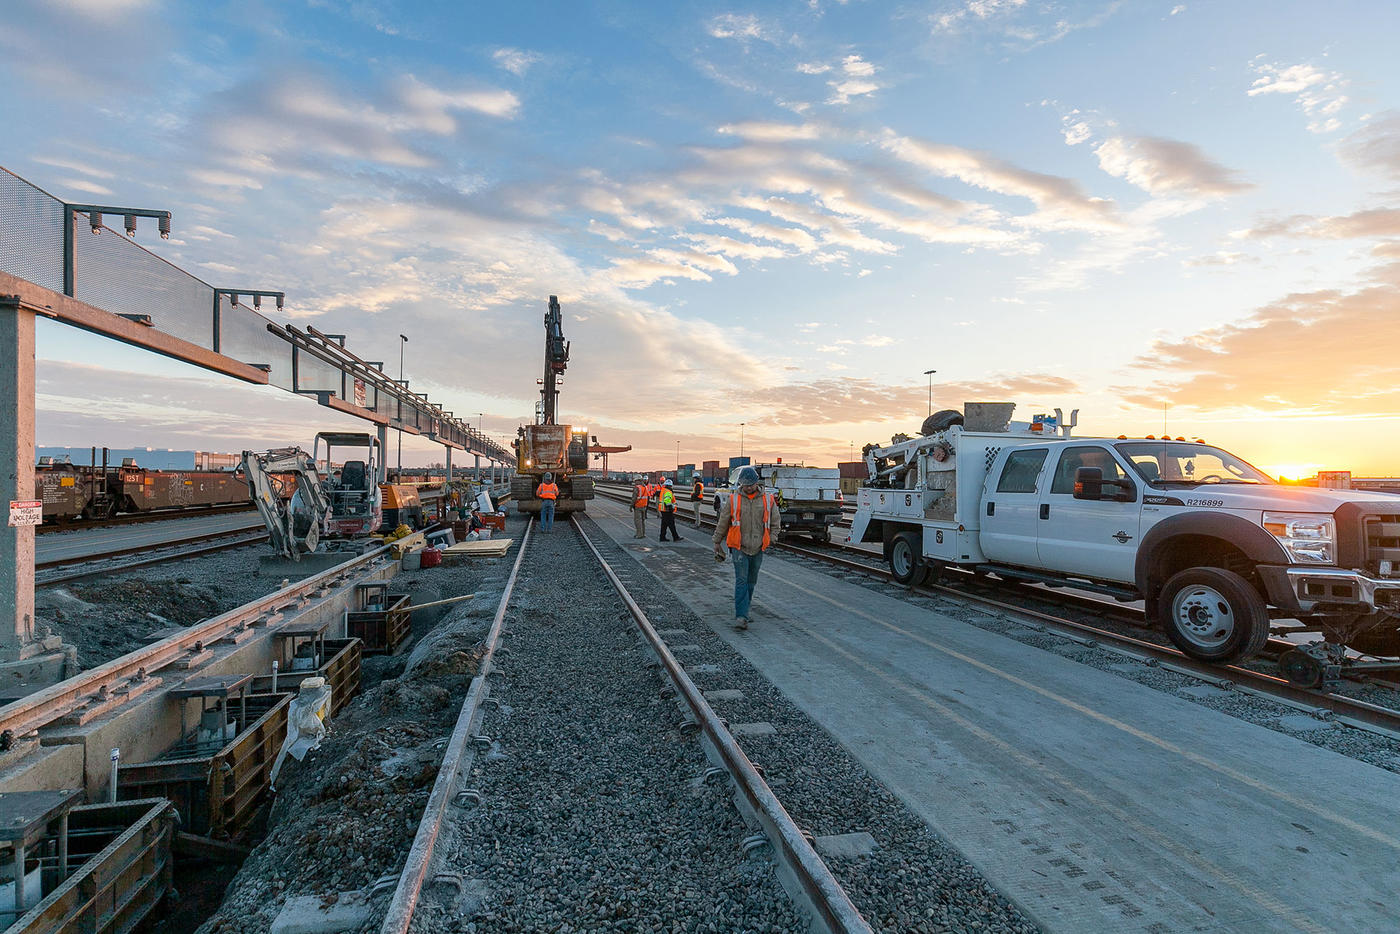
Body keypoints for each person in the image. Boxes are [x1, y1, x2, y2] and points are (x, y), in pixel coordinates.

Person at [712, 466, 781, 630]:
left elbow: (775, 521)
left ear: (757, 483)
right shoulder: (734, 499)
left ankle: (745, 609)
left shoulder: (768, 499)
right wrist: (717, 541)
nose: (747, 487)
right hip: (739, 546)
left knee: (751, 581)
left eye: (750, 484)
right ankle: (741, 615)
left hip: (758, 546)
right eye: (744, 485)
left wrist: (772, 538)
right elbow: (723, 521)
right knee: (742, 580)